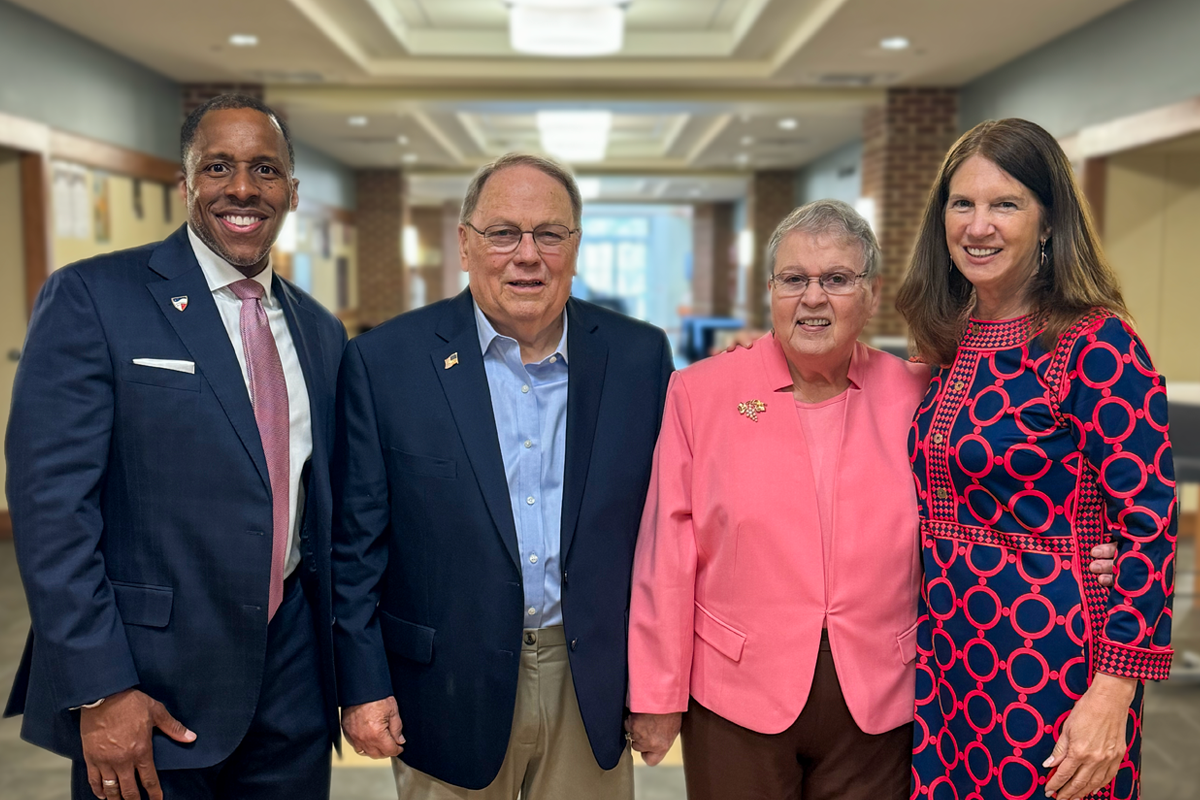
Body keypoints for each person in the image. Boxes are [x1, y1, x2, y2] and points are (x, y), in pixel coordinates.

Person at [4, 94, 346, 800]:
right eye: (218, 167)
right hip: (148, 688)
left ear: (291, 191)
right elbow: (50, 510)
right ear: (185, 184)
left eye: (265, 169)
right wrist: (100, 687)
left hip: (292, 692)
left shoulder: (320, 330)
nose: (244, 188)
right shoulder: (95, 298)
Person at [331, 153, 673, 800]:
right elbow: (356, 545)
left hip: (591, 679)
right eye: (502, 233)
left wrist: (662, 683)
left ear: (574, 246)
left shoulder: (639, 357)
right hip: (443, 684)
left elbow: (666, 537)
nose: (527, 255)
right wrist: (363, 683)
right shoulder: (386, 363)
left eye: (550, 234)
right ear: (465, 244)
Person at [895, 118, 1176, 800]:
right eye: (962, 204)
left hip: (1051, 659)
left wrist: (1112, 693)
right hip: (950, 659)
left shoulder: (1097, 344)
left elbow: (1150, 526)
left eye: (1006, 204)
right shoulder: (955, 340)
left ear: (1049, 222)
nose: (978, 225)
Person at [626, 200, 929, 799]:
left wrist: (1085, 541)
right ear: (770, 291)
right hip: (735, 692)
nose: (813, 298)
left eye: (837, 280)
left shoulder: (916, 392)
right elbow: (666, 554)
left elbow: (980, 508)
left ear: (870, 295)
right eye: (794, 280)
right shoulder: (699, 393)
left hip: (882, 693)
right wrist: (657, 695)